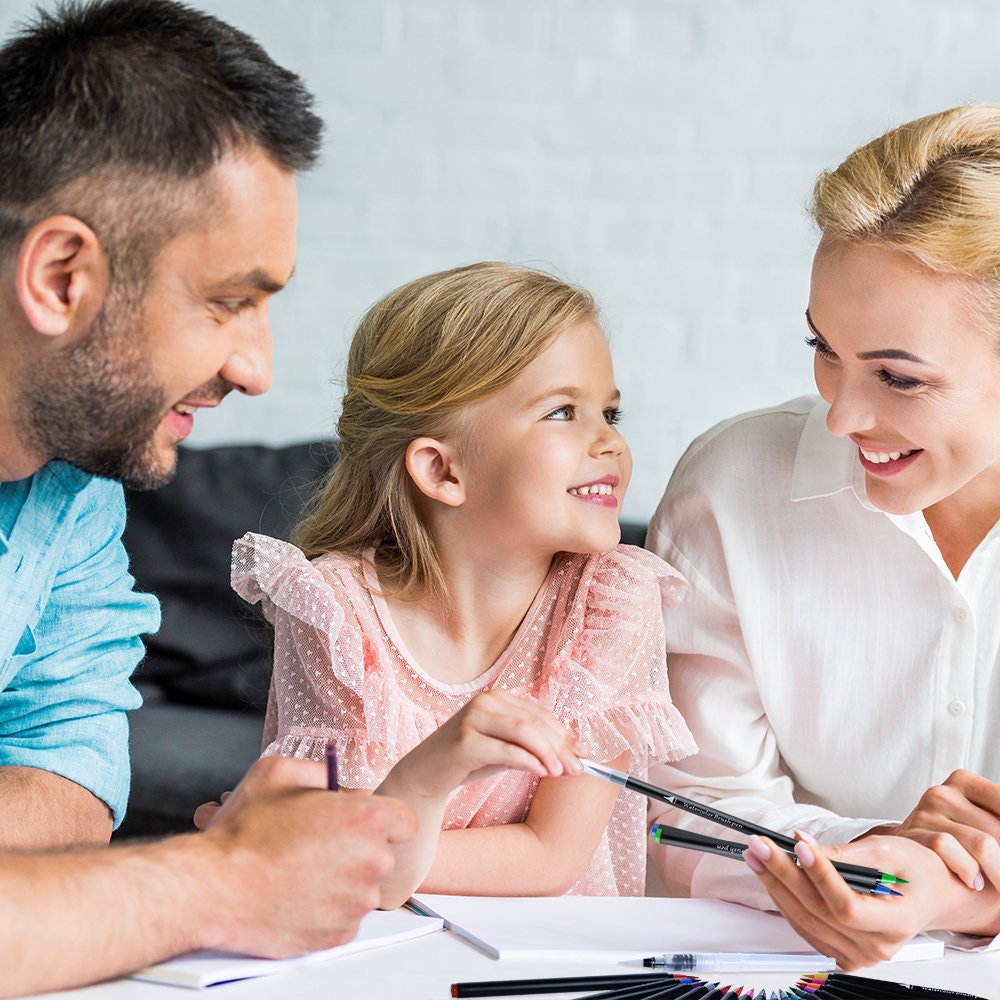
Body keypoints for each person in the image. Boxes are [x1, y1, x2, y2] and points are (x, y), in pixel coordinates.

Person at [0, 1, 414, 995]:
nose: (257, 367)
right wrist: (220, 879)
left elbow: (77, 779)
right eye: (230, 300)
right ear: (62, 276)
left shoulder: (75, 495)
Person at [644, 104, 1000, 969]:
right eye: (824, 348)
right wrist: (882, 852)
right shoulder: (732, 487)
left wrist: (959, 890)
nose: (843, 414)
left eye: (898, 376)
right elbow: (685, 811)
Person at [231, 261, 698, 906]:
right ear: (441, 469)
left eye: (611, 413)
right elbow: (335, 854)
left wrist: (360, 840)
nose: (610, 442)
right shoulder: (333, 611)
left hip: (549, 967)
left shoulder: (612, 605)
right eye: (563, 412)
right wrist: (423, 776)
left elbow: (550, 859)